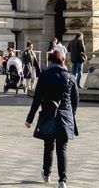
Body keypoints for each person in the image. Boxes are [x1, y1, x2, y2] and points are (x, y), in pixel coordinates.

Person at [25, 49, 79, 187]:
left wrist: (29, 119)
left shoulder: (44, 76)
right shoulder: (70, 77)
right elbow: (76, 100)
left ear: (50, 61)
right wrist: (71, 114)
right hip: (65, 117)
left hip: (49, 115)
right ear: (62, 61)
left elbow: (36, 99)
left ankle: (47, 174)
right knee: (62, 149)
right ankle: (62, 180)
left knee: (48, 146)